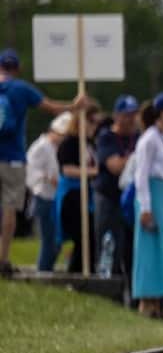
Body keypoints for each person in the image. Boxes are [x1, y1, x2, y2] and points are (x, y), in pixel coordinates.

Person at [0, 48, 87, 276]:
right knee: (9, 209)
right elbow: (51, 107)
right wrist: (74, 105)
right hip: (12, 159)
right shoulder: (21, 89)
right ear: (17, 69)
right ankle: (3, 259)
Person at [132, 94, 163, 316]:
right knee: (148, 249)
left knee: (162, 247)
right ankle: (146, 300)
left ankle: (158, 300)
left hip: (162, 196)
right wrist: (145, 207)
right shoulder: (149, 139)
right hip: (151, 197)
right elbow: (141, 175)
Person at [94, 94, 140, 282]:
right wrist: (136, 158)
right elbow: (114, 166)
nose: (131, 120)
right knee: (110, 243)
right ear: (117, 116)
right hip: (109, 199)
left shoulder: (138, 137)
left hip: (130, 200)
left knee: (130, 247)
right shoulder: (107, 137)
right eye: (127, 115)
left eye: (133, 115)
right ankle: (107, 283)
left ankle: (129, 288)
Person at [56, 107, 100, 274]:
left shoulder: (91, 143)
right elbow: (67, 169)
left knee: (89, 239)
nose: (94, 126)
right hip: (72, 196)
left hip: (88, 195)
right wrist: (93, 172)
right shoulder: (70, 143)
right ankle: (75, 273)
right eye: (91, 121)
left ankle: (84, 271)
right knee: (81, 237)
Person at [25, 112, 72, 271]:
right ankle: (43, 270)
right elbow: (30, 169)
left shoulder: (56, 147)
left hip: (55, 196)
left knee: (55, 240)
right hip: (43, 196)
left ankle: (47, 269)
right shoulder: (41, 146)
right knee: (49, 240)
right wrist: (47, 178)